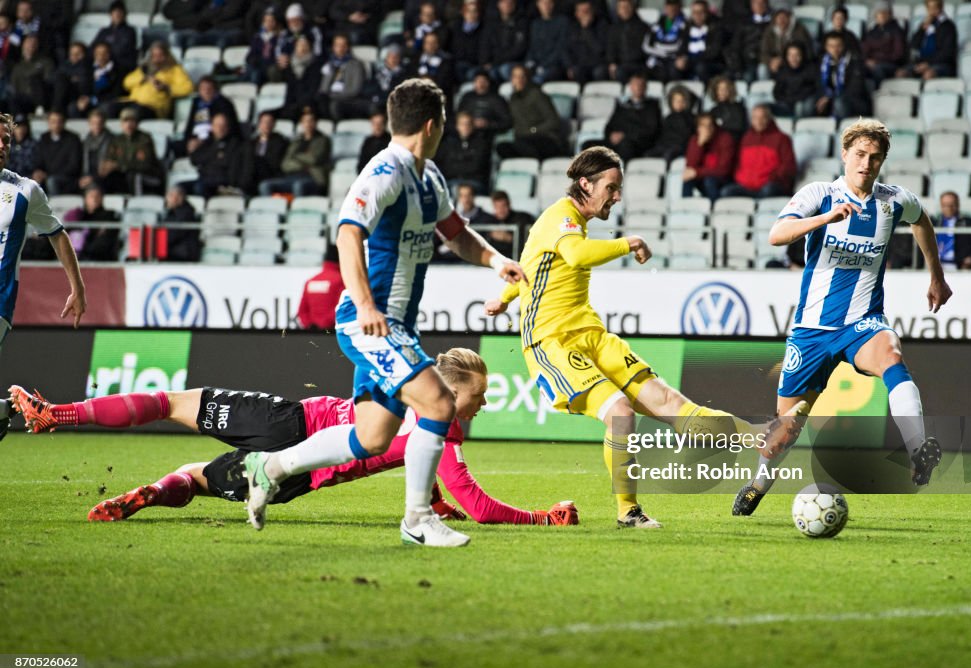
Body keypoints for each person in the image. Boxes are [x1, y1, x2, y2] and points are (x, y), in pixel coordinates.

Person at [242, 79, 527, 546]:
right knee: (438, 402)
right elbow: (347, 233)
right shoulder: (384, 171)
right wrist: (368, 303)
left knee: (372, 437)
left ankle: (270, 466)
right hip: (366, 319)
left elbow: (456, 235)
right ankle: (417, 520)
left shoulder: (429, 177)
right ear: (433, 125)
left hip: (393, 324)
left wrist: (496, 261)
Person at [485, 146, 801, 527]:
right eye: (611, 187)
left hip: (592, 335)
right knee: (619, 412)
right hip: (551, 342)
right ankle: (627, 512)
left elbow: (531, 266)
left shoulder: (565, 223)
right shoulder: (561, 218)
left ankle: (758, 436)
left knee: (670, 402)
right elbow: (576, 256)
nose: (617, 197)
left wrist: (503, 298)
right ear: (585, 184)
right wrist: (628, 242)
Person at [9, 350, 578, 527]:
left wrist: (434, 502)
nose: (484, 404)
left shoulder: (406, 383)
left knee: (167, 403)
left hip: (291, 421)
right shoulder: (442, 433)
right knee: (197, 479)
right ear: (452, 397)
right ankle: (152, 493)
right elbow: (476, 504)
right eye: (478, 395)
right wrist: (542, 517)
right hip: (296, 472)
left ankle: (55, 415)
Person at [732, 119, 952, 516]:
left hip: (862, 323)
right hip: (812, 332)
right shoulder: (819, 193)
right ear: (844, 155)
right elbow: (777, 234)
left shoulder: (893, 200)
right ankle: (760, 482)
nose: (866, 164)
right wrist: (825, 219)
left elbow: (922, 221)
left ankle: (919, 448)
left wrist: (936, 275)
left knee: (891, 355)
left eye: (875, 157)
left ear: (882, 161)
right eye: (860, 155)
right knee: (783, 433)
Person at [0, 111, 87, 440]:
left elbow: (57, 234)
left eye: (6, 140)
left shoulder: (25, 191)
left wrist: (77, 287)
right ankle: (12, 408)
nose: (1, 146)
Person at [721, 105, 796, 198]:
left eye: (762, 118)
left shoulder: (782, 139)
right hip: (746, 186)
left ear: (769, 119)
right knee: (726, 192)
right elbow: (738, 163)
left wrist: (771, 178)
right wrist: (740, 178)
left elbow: (789, 166)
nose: (759, 122)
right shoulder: (746, 138)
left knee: (768, 190)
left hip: (769, 185)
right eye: (755, 118)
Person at [495, 64, 563, 161]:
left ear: (527, 78)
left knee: (525, 145)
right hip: (523, 140)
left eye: (522, 76)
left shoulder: (537, 94)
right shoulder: (513, 99)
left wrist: (533, 130)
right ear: (511, 79)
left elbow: (554, 121)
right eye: (515, 77)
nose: (519, 80)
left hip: (544, 138)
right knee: (501, 147)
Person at [258, 107, 330, 196]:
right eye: (305, 121)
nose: (308, 124)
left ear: (315, 123)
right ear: (302, 123)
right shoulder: (296, 141)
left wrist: (296, 157)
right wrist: (303, 163)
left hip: (312, 178)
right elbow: (285, 164)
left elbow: (313, 159)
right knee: (265, 185)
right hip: (291, 177)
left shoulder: (323, 140)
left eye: (311, 121)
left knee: (298, 186)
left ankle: (298, 209)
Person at [115, 41, 194, 120]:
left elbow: (188, 88)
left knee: (134, 112)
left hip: (153, 107)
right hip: (133, 101)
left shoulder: (175, 70)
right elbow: (126, 83)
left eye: (160, 55)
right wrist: (143, 78)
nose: (157, 59)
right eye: (154, 56)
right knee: (109, 108)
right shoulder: (144, 69)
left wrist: (166, 88)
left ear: (167, 56)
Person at [98, 108, 164, 195]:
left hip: (147, 175)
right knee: (107, 177)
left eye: (132, 121)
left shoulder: (144, 139)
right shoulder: (117, 140)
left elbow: (145, 164)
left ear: (137, 123)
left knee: (133, 176)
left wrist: (118, 165)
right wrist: (106, 166)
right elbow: (110, 159)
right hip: (124, 175)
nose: (129, 124)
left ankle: (136, 201)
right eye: (125, 121)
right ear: (121, 124)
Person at [597, 73, 661, 162]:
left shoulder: (652, 107)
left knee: (625, 145)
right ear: (630, 86)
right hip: (616, 142)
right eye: (635, 84)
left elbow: (651, 131)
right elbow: (610, 126)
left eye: (641, 85)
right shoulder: (622, 106)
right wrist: (610, 135)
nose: (638, 87)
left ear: (645, 88)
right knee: (589, 145)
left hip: (636, 144)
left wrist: (624, 135)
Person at [189, 112, 250, 198]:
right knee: (179, 187)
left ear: (228, 127)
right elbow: (194, 160)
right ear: (212, 127)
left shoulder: (235, 144)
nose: (220, 129)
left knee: (200, 187)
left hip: (223, 180)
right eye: (217, 125)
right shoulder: (207, 142)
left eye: (223, 126)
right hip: (205, 178)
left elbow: (226, 162)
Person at [815, 31, 871, 119]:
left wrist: (830, 98)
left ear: (844, 46)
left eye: (838, 46)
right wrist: (823, 97)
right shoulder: (823, 63)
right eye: (831, 46)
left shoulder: (854, 61)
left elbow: (855, 89)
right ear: (826, 47)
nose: (835, 49)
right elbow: (818, 84)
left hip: (855, 102)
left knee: (839, 102)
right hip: (832, 100)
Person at [435, 111, 492, 195]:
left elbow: (477, 166)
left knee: (463, 192)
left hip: (474, 182)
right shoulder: (448, 143)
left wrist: (457, 165)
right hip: (452, 181)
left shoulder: (482, 143)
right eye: (462, 124)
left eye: (468, 124)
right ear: (457, 126)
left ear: (473, 126)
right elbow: (445, 166)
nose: (465, 127)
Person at [681, 113, 735, 200]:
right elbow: (690, 166)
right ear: (698, 128)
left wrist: (697, 172)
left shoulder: (725, 139)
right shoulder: (695, 140)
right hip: (703, 176)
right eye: (703, 126)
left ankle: (714, 209)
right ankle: (685, 207)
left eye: (710, 125)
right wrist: (700, 145)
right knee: (687, 179)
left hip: (721, 178)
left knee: (709, 181)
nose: (707, 129)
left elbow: (724, 170)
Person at [182, 77, 241, 155]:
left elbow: (224, 129)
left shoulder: (224, 104)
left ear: (215, 90)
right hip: (195, 138)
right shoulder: (196, 102)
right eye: (203, 89)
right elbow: (189, 125)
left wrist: (202, 141)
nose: (206, 91)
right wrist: (188, 141)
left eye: (209, 89)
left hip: (213, 140)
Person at [900, 0, 956, 79]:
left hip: (942, 64)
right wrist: (922, 29)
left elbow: (947, 53)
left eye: (935, 8)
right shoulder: (926, 24)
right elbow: (913, 44)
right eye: (930, 8)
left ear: (941, 8)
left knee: (928, 74)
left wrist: (928, 64)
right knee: (901, 73)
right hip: (922, 62)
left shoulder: (948, 26)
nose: (932, 11)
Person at [64, 183, 120, 261]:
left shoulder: (109, 215)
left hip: (98, 257)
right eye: (91, 196)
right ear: (85, 199)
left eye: (97, 196)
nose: (94, 199)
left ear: (102, 199)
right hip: (77, 256)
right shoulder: (79, 215)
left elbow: (105, 239)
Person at [31, 111, 83, 197]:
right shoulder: (44, 138)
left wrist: (48, 174)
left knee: (52, 181)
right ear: (48, 123)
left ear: (63, 123)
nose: (56, 125)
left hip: (67, 178)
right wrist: (38, 171)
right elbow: (39, 160)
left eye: (59, 121)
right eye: (53, 122)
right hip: (46, 176)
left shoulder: (73, 139)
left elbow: (74, 166)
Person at [318, 33, 367, 121]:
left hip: (348, 99)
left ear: (347, 47)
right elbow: (323, 88)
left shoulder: (356, 65)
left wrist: (335, 96)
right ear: (333, 47)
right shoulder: (329, 64)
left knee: (335, 105)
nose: (340, 48)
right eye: (337, 45)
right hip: (329, 97)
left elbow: (355, 90)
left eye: (343, 45)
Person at [479, 0, 529, 83]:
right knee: (486, 72)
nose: (507, 5)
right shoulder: (491, 24)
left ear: (514, 5)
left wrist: (496, 61)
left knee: (504, 70)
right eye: (504, 2)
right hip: (495, 62)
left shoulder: (522, 23)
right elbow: (485, 45)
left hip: (514, 62)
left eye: (510, 3)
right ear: (499, 4)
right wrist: (485, 62)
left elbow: (520, 49)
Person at [297, 243, 345, 330]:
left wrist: (310, 325)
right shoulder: (342, 280)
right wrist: (324, 324)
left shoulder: (311, 281)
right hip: (332, 332)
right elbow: (342, 308)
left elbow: (302, 311)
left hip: (311, 332)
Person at [759, 8, 814, 81]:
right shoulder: (769, 31)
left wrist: (783, 60)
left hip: (794, 61)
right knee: (762, 69)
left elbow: (807, 51)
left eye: (784, 18)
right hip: (774, 62)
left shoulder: (800, 30)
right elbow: (763, 52)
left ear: (789, 19)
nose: (781, 21)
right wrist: (770, 61)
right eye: (779, 18)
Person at [725, 0, 773, 83]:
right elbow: (736, 46)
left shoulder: (773, 23)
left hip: (768, 60)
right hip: (748, 61)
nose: (759, 6)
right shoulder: (743, 24)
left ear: (767, 5)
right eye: (756, 3)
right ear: (751, 5)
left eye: (762, 3)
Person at [862, 3, 908, 85]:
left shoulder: (896, 31)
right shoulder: (872, 32)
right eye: (879, 13)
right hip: (872, 63)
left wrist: (877, 61)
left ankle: (879, 91)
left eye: (884, 13)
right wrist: (866, 60)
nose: (882, 16)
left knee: (878, 69)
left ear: (890, 15)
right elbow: (864, 50)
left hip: (890, 64)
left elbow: (898, 54)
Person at [7, 34, 54, 116]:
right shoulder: (18, 66)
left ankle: (40, 108)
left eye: (34, 43)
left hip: (42, 98)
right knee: (13, 98)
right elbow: (14, 86)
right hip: (25, 99)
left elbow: (49, 80)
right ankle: (17, 122)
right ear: (23, 45)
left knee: (35, 79)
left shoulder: (46, 62)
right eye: (29, 42)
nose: (31, 45)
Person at [645, 86, 694, 163]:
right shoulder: (668, 118)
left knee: (668, 154)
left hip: (679, 147)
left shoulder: (690, 118)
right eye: (675, 100)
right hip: (664, 145)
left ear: (686, 102)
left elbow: (686, 137)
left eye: (681, 100)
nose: (678, 103)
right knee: (648, 154)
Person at [456, 71, 512, 136]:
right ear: (474, 83)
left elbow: (507, 122)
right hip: (467, 132)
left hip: (489, 134)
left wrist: (487, 124)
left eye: (483, 81)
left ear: (488, 83)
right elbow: (458, 116)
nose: (480, 84)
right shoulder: (467, 98)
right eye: (478, 81)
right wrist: (470, 122)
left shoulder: (497, 99)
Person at [526, 0, 570, 84]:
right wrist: (530, 62)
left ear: (553, 4)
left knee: (536, 80)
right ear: (538, 5)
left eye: (549, 3)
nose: (546, 6)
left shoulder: (562, 21)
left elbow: (560, 49)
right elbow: (532, 47)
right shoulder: (535, 24)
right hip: (536, 65)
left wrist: (543, 65)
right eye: (543, 3)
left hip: (554, 66)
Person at [772, 42, 818, 119]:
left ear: (802, 55)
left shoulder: (810, 69)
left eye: (797, 55)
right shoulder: (782, 71)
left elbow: (810, 90)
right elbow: (777, 93)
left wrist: (792, 99)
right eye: (790, 55)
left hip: (803, 103)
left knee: (799, 106)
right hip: (787, 103)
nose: (794, 58)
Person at [567, 0, 609, 85]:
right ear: (576, 14)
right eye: (582, 11)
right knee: (576, 72)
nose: (585, 14)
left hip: (598, 63)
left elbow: (600, 49)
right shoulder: (573, 28)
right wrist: (569, 65)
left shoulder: (602, 25)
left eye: (587, 11)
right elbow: (567, 49)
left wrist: (587, 30)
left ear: (593, 11)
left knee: (599, 72)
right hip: (580, 65)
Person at [606, 0, 648, 82]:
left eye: (627, 7)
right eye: (622, 7)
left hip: (639, 64)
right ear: (618, 10)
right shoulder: (613, 29)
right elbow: (611, 48)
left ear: (633, 8)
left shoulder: (643, 27)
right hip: (621, 64)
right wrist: (612, 62)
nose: (625, 10)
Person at [248, 110, 289, 191]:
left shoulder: (280, 142)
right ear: (259, 124)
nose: (266, 125)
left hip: (271, 174)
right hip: (253, 174)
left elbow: (276, 162)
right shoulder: (251, 143)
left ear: (274, 124)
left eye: (269, 122)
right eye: (264, 122)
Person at [160, 185, 201, 262]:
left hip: (183, 255)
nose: (171, 199)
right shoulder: (171, 212)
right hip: (175, 251)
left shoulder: (186, 213)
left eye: (172, 196)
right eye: (169, 196)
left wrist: (158, 242)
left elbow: (173, 234)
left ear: (180, 197)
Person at [91, 1, 137, 70]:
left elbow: (123, 50)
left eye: (120, 13)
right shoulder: (104, 31)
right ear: (110, 14)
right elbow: (93, 47)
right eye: (115, 13)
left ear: (124, 15)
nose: (117, 15)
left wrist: (105, 55)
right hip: (103, 63)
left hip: (120, 66)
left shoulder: (129, 31)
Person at [78, 109, 113, 190]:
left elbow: (108, 168)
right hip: (86, 176)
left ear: (104, 123)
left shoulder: (112, 140)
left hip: (104, 179)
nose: (97, 125)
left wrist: (93, 178)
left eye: (99, 123)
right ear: (89, 123)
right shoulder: (85, 141)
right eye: (94, 123)